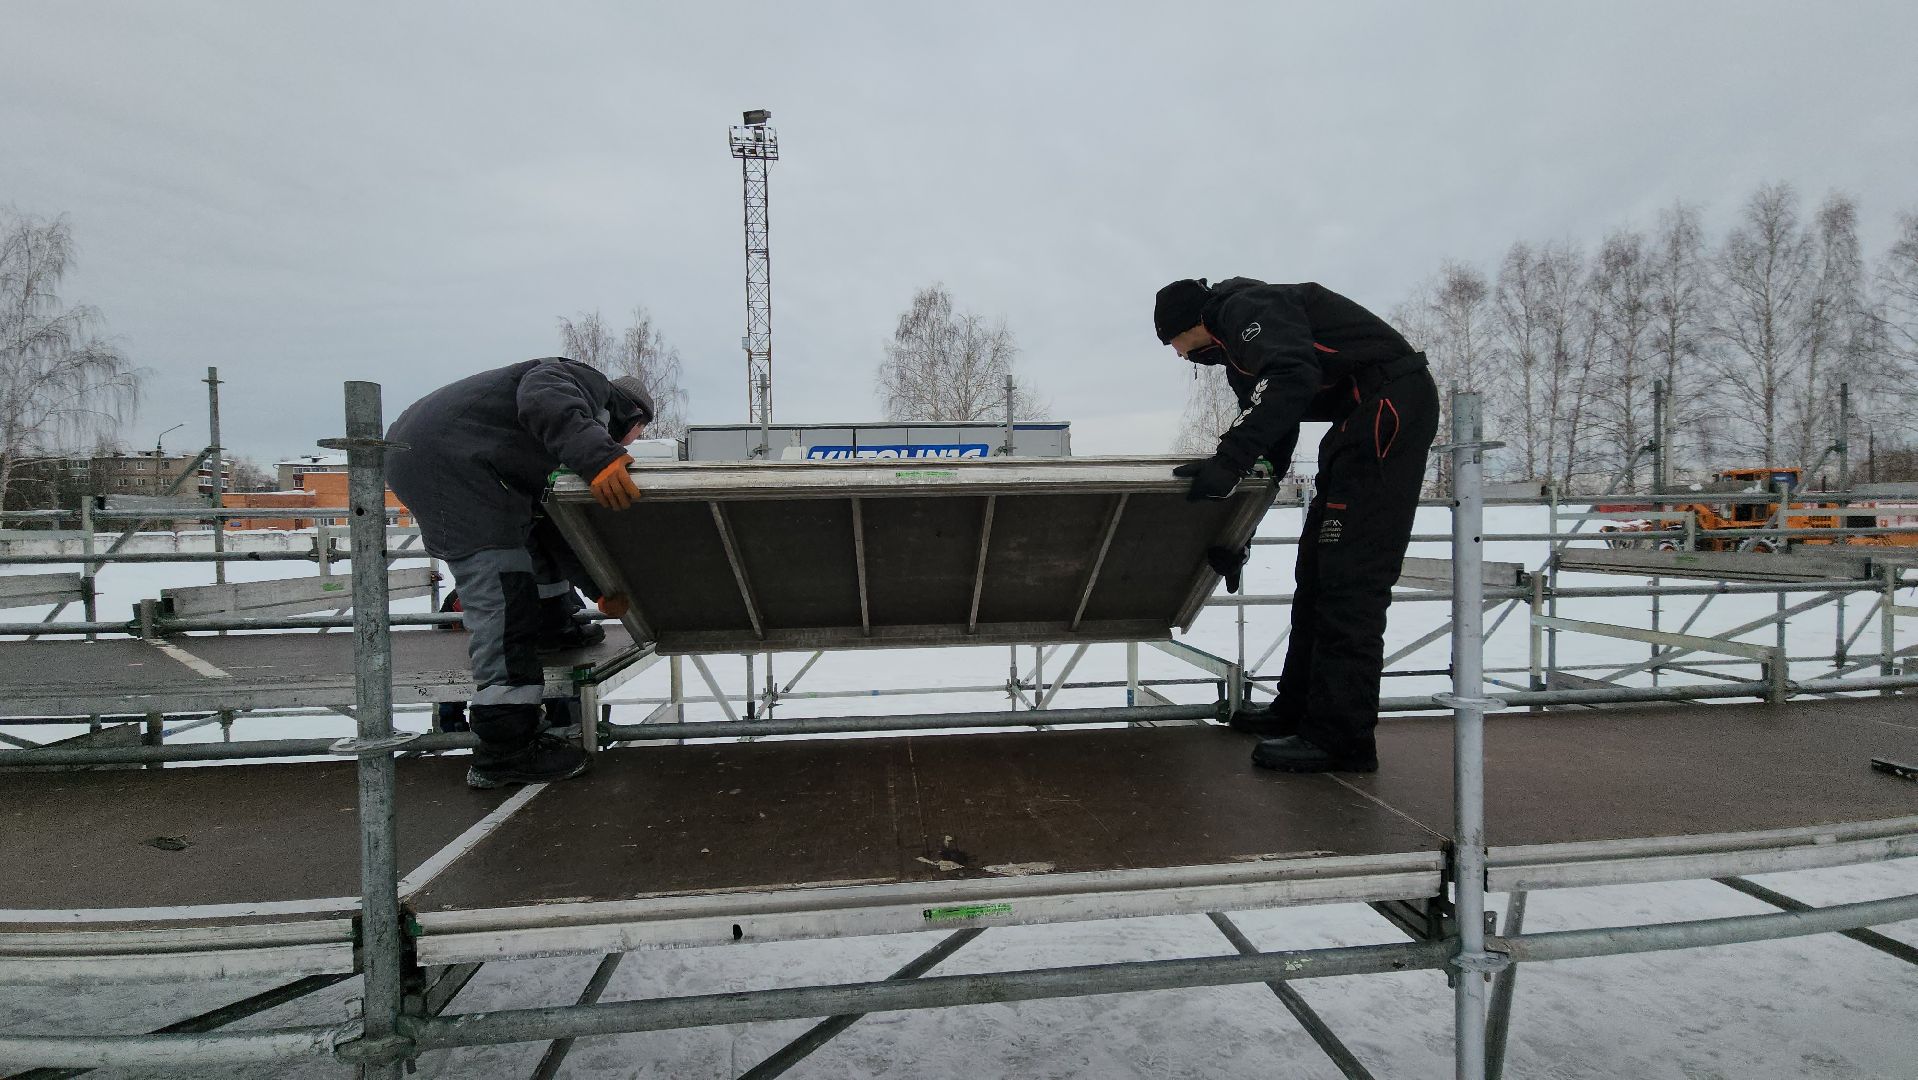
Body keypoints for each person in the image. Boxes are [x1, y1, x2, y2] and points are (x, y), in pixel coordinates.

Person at [1154, 278, 1439, 773]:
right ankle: (1298, 710)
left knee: (1349, 581)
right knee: (1316, 573)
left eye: (1172, 342)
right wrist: (1236, 537)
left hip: (1388, 408)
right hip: (1357, 421)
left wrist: (1228, 459)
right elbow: (1272, 443)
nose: (1178, 355)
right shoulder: (1243, 357)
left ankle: (1341, 738)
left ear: (1188, 323)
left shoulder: (1244, 309)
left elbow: (1293, 375)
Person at [386, 357, 653, 789]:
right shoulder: (588, 384)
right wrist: (600, 457)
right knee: (503, 596)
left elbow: (553, 531)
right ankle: (505, 747)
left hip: (448, 458)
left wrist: (599, 589)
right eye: (639, 433)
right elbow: (542, 391)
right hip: (449, 459)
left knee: (526, 548)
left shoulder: (538, 446)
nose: (634, 443)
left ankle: (553, 626)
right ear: (635, 416)